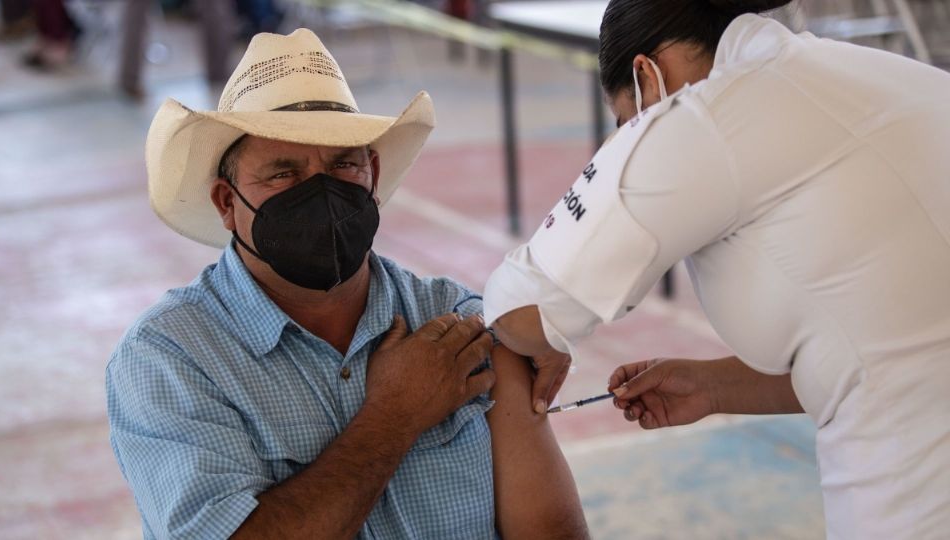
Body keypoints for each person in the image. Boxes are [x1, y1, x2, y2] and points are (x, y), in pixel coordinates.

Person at [483, 0, 950, 537]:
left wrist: (544, 340)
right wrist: (713, 387)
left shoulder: (705, 115)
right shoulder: (872, 75)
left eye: (624, 121)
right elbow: (890, 346)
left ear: (645, 75)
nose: (630, 135)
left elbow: (521, 309)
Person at [106, 29, 588, 538]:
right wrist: (393, 417)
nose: (322, 193)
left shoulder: (458, 324)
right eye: (283, 174)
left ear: (372, 174)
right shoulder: (170, 359)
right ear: (226, 203)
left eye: (342, 164)